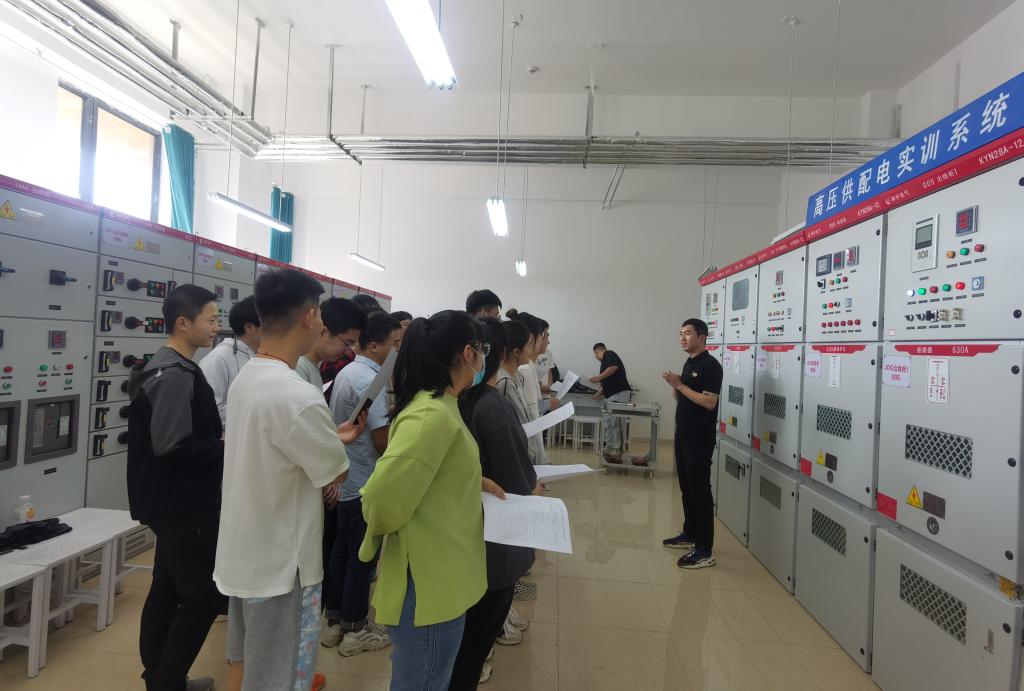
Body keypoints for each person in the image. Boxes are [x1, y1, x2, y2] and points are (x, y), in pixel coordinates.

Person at [214, 269, 366, 691]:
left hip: (246, 553)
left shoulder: (248, 377)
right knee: (278, 679)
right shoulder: (297, 394)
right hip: (284, 566)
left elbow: (276, 447)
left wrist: (327, 435)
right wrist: (332, 441)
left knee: (247, 665)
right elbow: (335, 470)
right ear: (310, 316)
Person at [359, 311, 504, 691]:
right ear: (468, 353)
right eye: (483, 350)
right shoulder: (430, 415)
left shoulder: (444, 405)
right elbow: (380, 497)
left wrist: (469, 480)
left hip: (442, 575)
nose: (484, 358)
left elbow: (431, 471)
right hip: (427, 583)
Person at [127, 284, 225, 691]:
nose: (216, 327)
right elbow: (172, 445)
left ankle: (161, 679)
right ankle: (167, 682)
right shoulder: (173, 374)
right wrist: (226, 448)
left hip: (168, 500)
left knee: (167, 589)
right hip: (182, 504)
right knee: (204, 597)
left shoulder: (170, 366)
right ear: (183, 323)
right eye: (211, 320)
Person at [449, 318, 538, 689]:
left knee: (462, 636)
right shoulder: (492, 407)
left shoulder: (453, 399)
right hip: (493, 540)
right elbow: (518, 481)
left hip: (461, 537)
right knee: (475, 640)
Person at [323, 312, 402, 656]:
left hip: (348, 478)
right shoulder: (369, 381)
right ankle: (355, 629)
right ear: (374, 345)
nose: (398, 350)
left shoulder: (349, 371)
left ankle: (335, 621)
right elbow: (382, 441)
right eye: (395, 344)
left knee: (342, 553)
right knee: (361, 558)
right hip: (363, 482)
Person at [661, 318, 723, 569]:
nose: (682, 338)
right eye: (680, 333)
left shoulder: (711, 366)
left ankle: (705, 549)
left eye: (687, 333)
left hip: (699, 439)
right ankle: (690, 534)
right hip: (683, 436)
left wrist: (680, 384)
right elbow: (684, 397)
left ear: (702, 336)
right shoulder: (689, 363)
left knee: (700, 492)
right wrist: (675, 386)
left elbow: (709, 402)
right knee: (686, 488)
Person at [493, 319, 542, 609]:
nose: (533, 348)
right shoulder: (502, 382)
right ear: (514, 350)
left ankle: (511, 590)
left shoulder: (513, 378)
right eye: (529, 343)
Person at [199, 295, 261, 429]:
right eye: (268, 323)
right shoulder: (218, 359)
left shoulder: (258, 356)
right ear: (249, 327)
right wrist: (258, 417)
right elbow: (212, 410)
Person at [506, 310, 550, 466]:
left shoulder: (527, 367)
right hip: (528, 449)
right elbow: (529, 414)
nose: (547, 342)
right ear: (533, 337)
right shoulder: (524, 370)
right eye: (545, 336)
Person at [590, 343, 632, 462]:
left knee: (616, 422)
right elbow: (607, 381)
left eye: (595, 355)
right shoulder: (604, 364)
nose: (596, 357)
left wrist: (598, 378)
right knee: (608, 422)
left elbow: (613, 367)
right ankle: (610, 446)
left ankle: (617, 449)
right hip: (611, 395)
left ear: (597, 352)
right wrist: (598, 393)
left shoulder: (608, 354)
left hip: (619, 393)